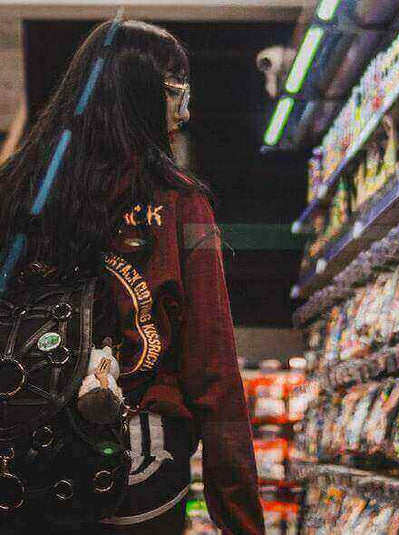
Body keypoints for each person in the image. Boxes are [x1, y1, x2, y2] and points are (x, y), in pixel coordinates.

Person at [0, 19, 265, 534]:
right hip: (140, 455)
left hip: (22, 454)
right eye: (174, 92)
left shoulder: (16, 191)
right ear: (139, 94)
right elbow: (213, 364)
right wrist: (240, 518)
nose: (184, 113)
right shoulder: (181, 202)